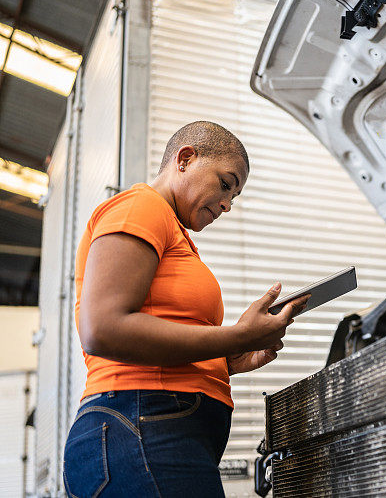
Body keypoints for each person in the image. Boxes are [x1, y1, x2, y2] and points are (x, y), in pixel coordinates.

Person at [61, 121, 308, 497]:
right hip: (141, 424)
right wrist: (237, 334)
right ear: (186, 159)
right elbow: (102, 328)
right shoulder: (141, 207)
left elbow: (159, 338)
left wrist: (226, 359)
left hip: (152, 429)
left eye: (234, 197)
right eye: (226, 184)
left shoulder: (174, 234)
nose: (226, 204)